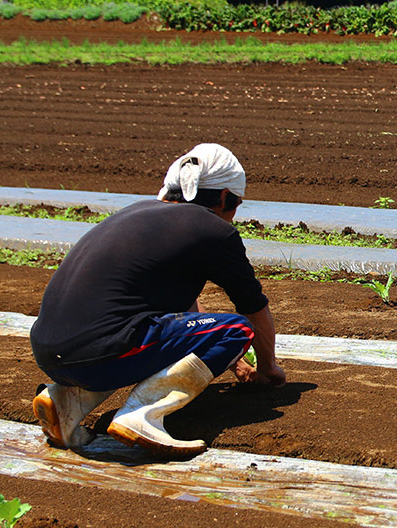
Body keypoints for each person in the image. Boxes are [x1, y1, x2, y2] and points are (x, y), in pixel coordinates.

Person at [29, 143, 286, 458]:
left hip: (49, 350)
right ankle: (142, 415)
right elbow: (253, 308)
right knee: (237, 329)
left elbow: (183, 315)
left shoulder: (136, 213)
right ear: (223, 198)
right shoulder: (213, 230)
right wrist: (269, 367)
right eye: (236, 205)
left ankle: (65, 401)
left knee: (131, 332)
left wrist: (235, 363)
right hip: (104, 352)